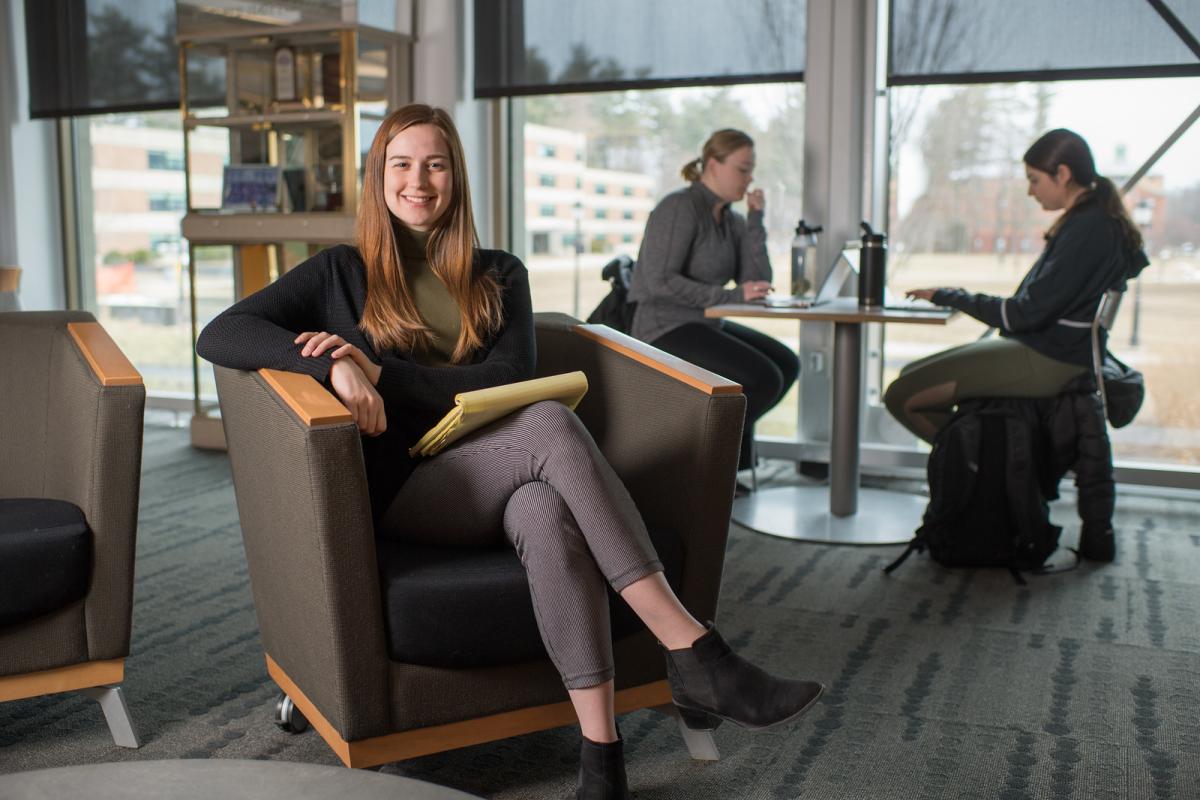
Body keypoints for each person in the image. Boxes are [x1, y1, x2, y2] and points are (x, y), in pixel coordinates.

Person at [196, 104, 824, 799]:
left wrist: (385, 375)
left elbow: (508, 382)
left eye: (434, 163)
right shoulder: (340, 273)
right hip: (412, 494)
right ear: (379, 177)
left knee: (544, 508)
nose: (418, 181)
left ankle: (601, 762)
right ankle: (694, 650)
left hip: (500, 472)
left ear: (455, 176)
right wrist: (331, 366)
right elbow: (221, 333)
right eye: (400, 164)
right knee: (551, 424)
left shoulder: (499, 274)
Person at [883, 128, 1149, 562]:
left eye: (1034, 179)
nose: (1030, 191)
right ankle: (988, 466)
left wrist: (952, 295)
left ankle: (991, 474)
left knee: (902, 396)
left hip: (1049, 357)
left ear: (1062, 173)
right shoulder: (1092, 220)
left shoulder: (1089, 229)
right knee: (908, 380)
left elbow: (1022, 314)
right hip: (1050, 349)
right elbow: (1031, 309)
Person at [628, 129, 799, 483]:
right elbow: (659, 281)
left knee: (787, 364)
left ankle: (720, 464)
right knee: (762, 378)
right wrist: (732, 297)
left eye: (751, 170)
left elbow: (758, 279)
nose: (749, 178)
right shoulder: (679, 208)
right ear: (712, 164)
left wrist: (755, 220)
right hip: (663, 327)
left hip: (704, 322)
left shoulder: (732, 219)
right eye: (742, 169)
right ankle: (709, 469)